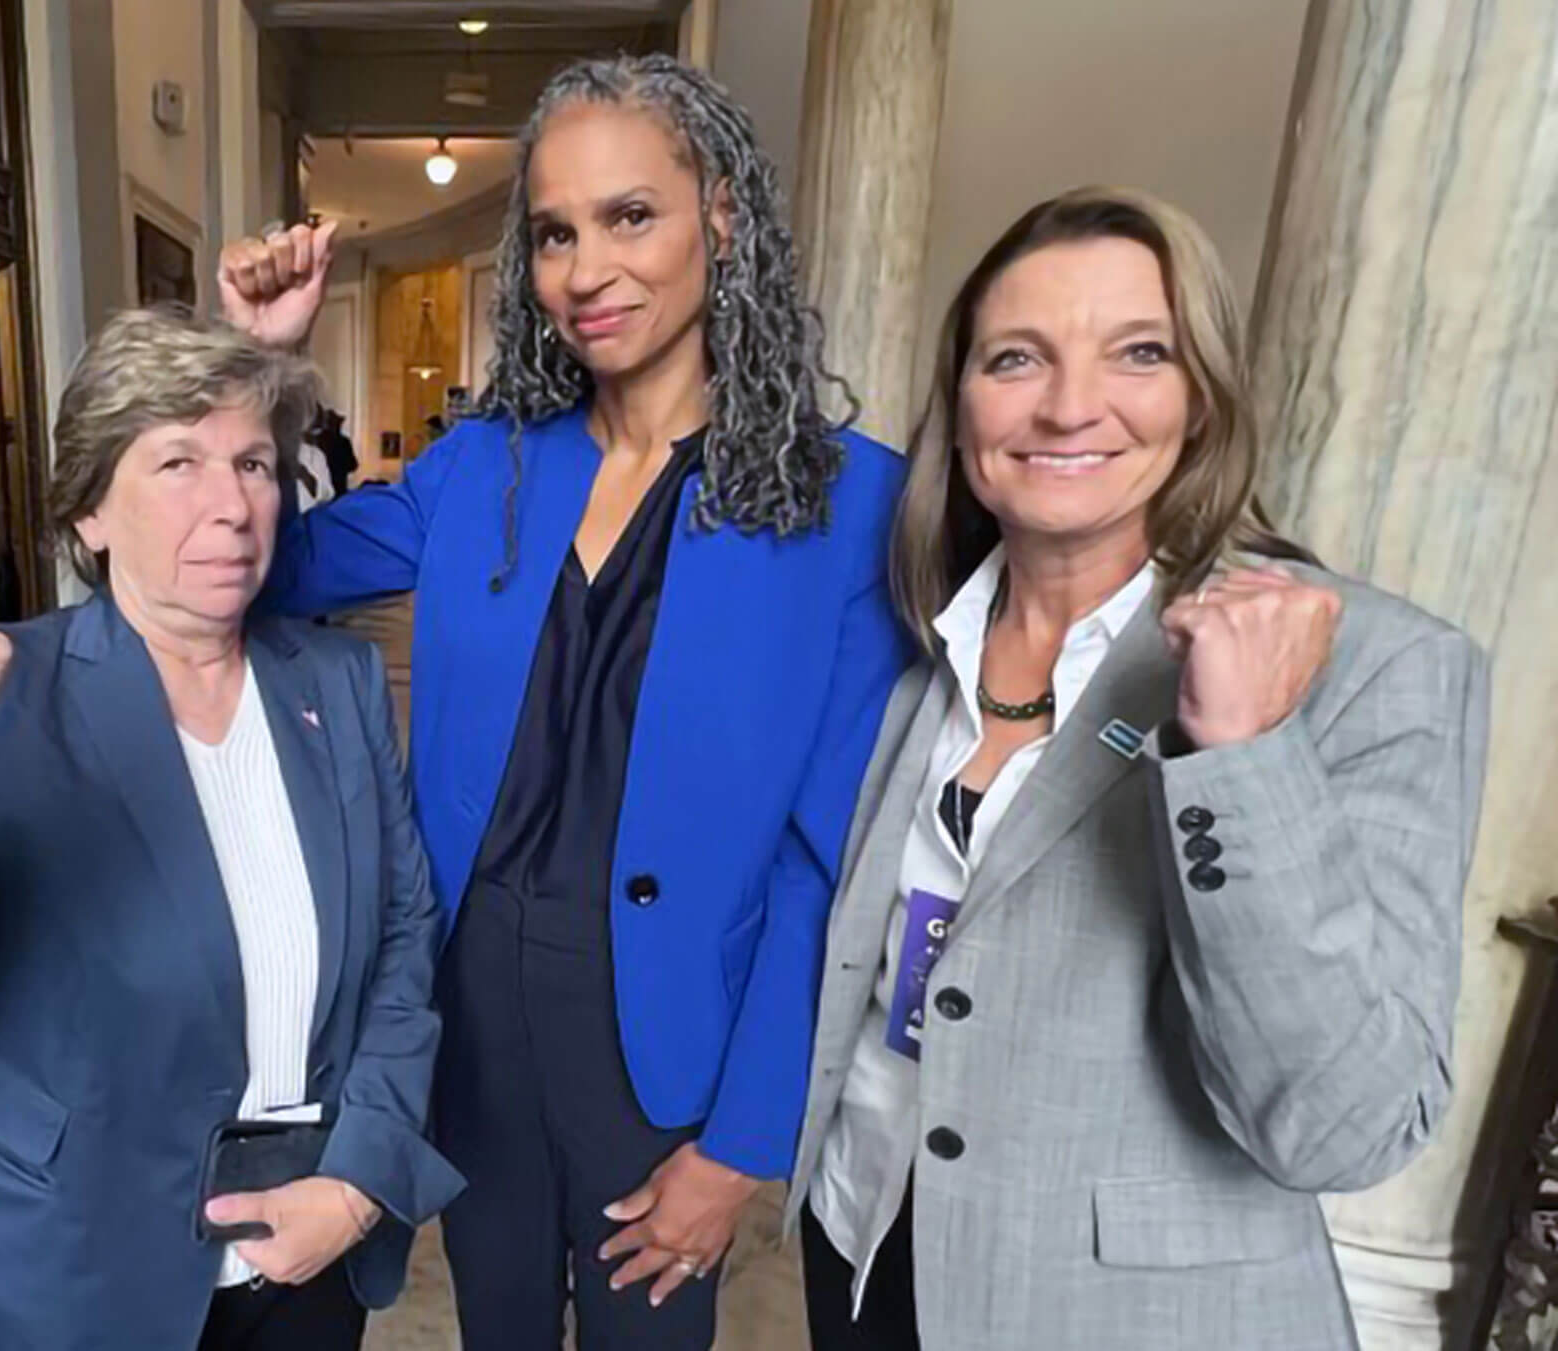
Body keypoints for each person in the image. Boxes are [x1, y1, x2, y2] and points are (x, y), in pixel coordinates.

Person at [218, 53, 909, 1349]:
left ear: (723, 215)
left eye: (629, 215)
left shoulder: (852, 505)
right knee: (497, 1327)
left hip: (661, 1029)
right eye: (553, 232)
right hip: (468, 1006)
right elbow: (269, 571)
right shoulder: (481, 464)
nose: (587, 268)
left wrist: (742, 1142)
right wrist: (267, 372)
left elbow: (830, 858)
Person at [783, 187, 1487, 1351]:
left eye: (1138, 353)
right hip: (863, 1243)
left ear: (1202, 397)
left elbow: (1342, 1123)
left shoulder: (1378, 665)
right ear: (959, 405)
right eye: (1017, 358)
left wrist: (1244, 759)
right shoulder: (917, 649)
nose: (1068, 407)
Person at [0, 308, 463, 1351]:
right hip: (61, 1276)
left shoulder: (332, 680)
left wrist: (361, 1174)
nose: (233, 505)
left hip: (305, 1260)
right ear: (90, 511)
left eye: (253, 461)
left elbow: (401, 941)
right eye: (177, 462)